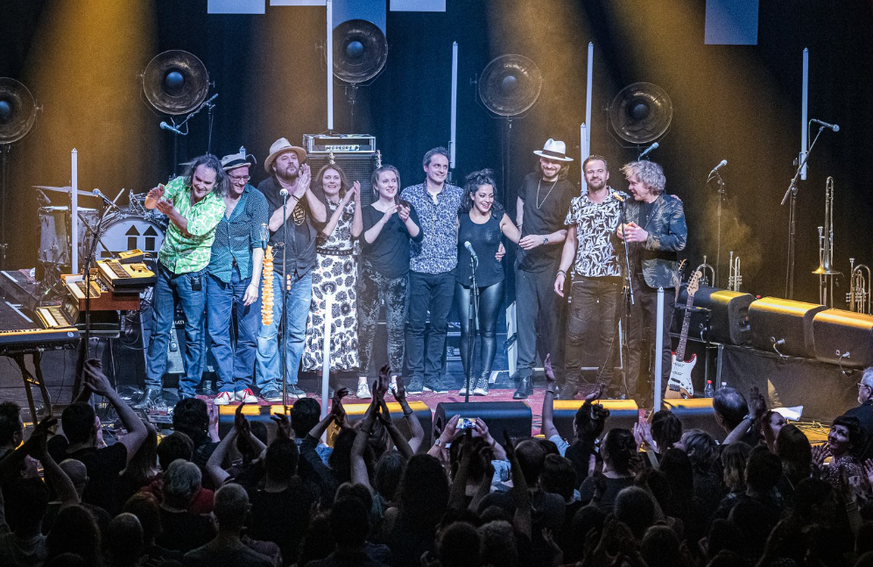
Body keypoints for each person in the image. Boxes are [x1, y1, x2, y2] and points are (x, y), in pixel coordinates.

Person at [139, 154, 227, 406]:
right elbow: (148, 205)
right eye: (198, 179)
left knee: (193, 332)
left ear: (216, 184)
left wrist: (171, 211)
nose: (200, 185)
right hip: (166, 267)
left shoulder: (216, 205)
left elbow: (192, 229)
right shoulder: (179, 184)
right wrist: (154, 197)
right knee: (159, 330)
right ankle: (152, 388)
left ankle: (187, 391)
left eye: (207, 183)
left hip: (193, 273)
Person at [255, 137, 327, 402]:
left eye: (294, 157)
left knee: (296, 331)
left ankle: (290, 380)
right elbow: (272, 224)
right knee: (268, 330)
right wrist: (296, 194)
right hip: (274, 266)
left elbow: (321, 218)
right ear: (274, 166)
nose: (291, 161)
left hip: (303, 268)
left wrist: (305, 188)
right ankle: (268, 382)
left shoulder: (310, 186)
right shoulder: (265, 189)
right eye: (284, 158)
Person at [554, 155, 627, 399]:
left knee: (608, 335)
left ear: (607, 175)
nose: (594, 175)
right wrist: (562, 272)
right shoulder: (577, 203)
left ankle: (603, 385)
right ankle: (571, 382)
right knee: (575, 332)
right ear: (584, 176)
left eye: (599, 171)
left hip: (612, 278)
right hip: (583, 277)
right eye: (589, 172)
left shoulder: (621, 201)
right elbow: (571, 241)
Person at [616, 160, 687, 403]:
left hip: (660, 284)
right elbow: (621, 236)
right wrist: (618, 233)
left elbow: (679, 242)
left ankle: (657, 397)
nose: (630, 186)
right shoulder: (629, 204)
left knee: (660, 342)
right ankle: (631, 396)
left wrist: (647, 237)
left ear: (649, 184)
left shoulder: (672, 205)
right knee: (632, 341)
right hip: (633, 282)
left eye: (634, 182)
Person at [513, 139, 574, 399]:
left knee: (552, 323)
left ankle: (555, 375)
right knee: (524, 321)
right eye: (546, 160)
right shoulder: (529, 180)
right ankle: (524, 377)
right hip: (525, 262)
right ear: (540, 160)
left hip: (550, 263)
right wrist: (520, 232)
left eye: (554, 161)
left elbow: (568, 232)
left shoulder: (568, 190)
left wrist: (542, 239)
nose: (549, 165)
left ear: (562, 165)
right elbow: (520, 202)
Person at [400, 147, 464, 394]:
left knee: (440, 325)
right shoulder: (411, 193)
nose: (441, 170)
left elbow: (484, 215)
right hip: (419, 266)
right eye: (436, 166)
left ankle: (433, 375)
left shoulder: (458, 195)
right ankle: (415, 375)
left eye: (445, 167)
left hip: (448, 267)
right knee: (416, 325)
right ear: (426, 167)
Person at [208, 151, 269, 405]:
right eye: (237, 177)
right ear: (225, 175)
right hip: (216, 271)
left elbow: (259, 244)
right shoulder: (211, 197)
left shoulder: (256, 199)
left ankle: (243, 384)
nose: (242, 181)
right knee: (218, 332)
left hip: (246, 272)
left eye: (246, 177)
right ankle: (225, 385)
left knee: (248, 333)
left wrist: (255, 283)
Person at [358, 165, 422, 395]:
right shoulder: (368, 210)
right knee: (367, 329)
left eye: (393, 180)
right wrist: (385, 218)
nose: (390, 184)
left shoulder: (406, 207)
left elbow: (418, 236)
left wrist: (405, 219)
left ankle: (395, 380)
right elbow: (365, 240)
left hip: (399, 277)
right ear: (376, 186)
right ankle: (363, 381)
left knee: (396, 330)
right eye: (385, 181)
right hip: (371, 275)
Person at [455, 169, 520, 396]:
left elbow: (520, 239)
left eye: (491, 196)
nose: (487, 200)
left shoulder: (498, 217)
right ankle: (468, 379)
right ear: (472, 195)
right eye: (482, 195)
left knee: (488, 330)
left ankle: (483, 378)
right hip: (464, 278)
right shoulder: (461, 217)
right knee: (466, 330)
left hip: (492, 278)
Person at [301, 163, 363, 388]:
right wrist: (343, 203)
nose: (332, 181)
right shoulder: (318, 203)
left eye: (335, 177)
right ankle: (320, 375)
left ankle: (336, 374)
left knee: (342, 320)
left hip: (346, 267)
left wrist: (355, 202)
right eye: (327, 177)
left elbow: (356, 232)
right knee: (322, 317)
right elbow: (326, 229)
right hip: (324, 265)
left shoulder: (349, 202)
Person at [844, 367, 873, 462]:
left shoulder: (852, 416)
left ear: (868, 391)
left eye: (860, 386)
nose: (859, 390)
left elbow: (840, 451)